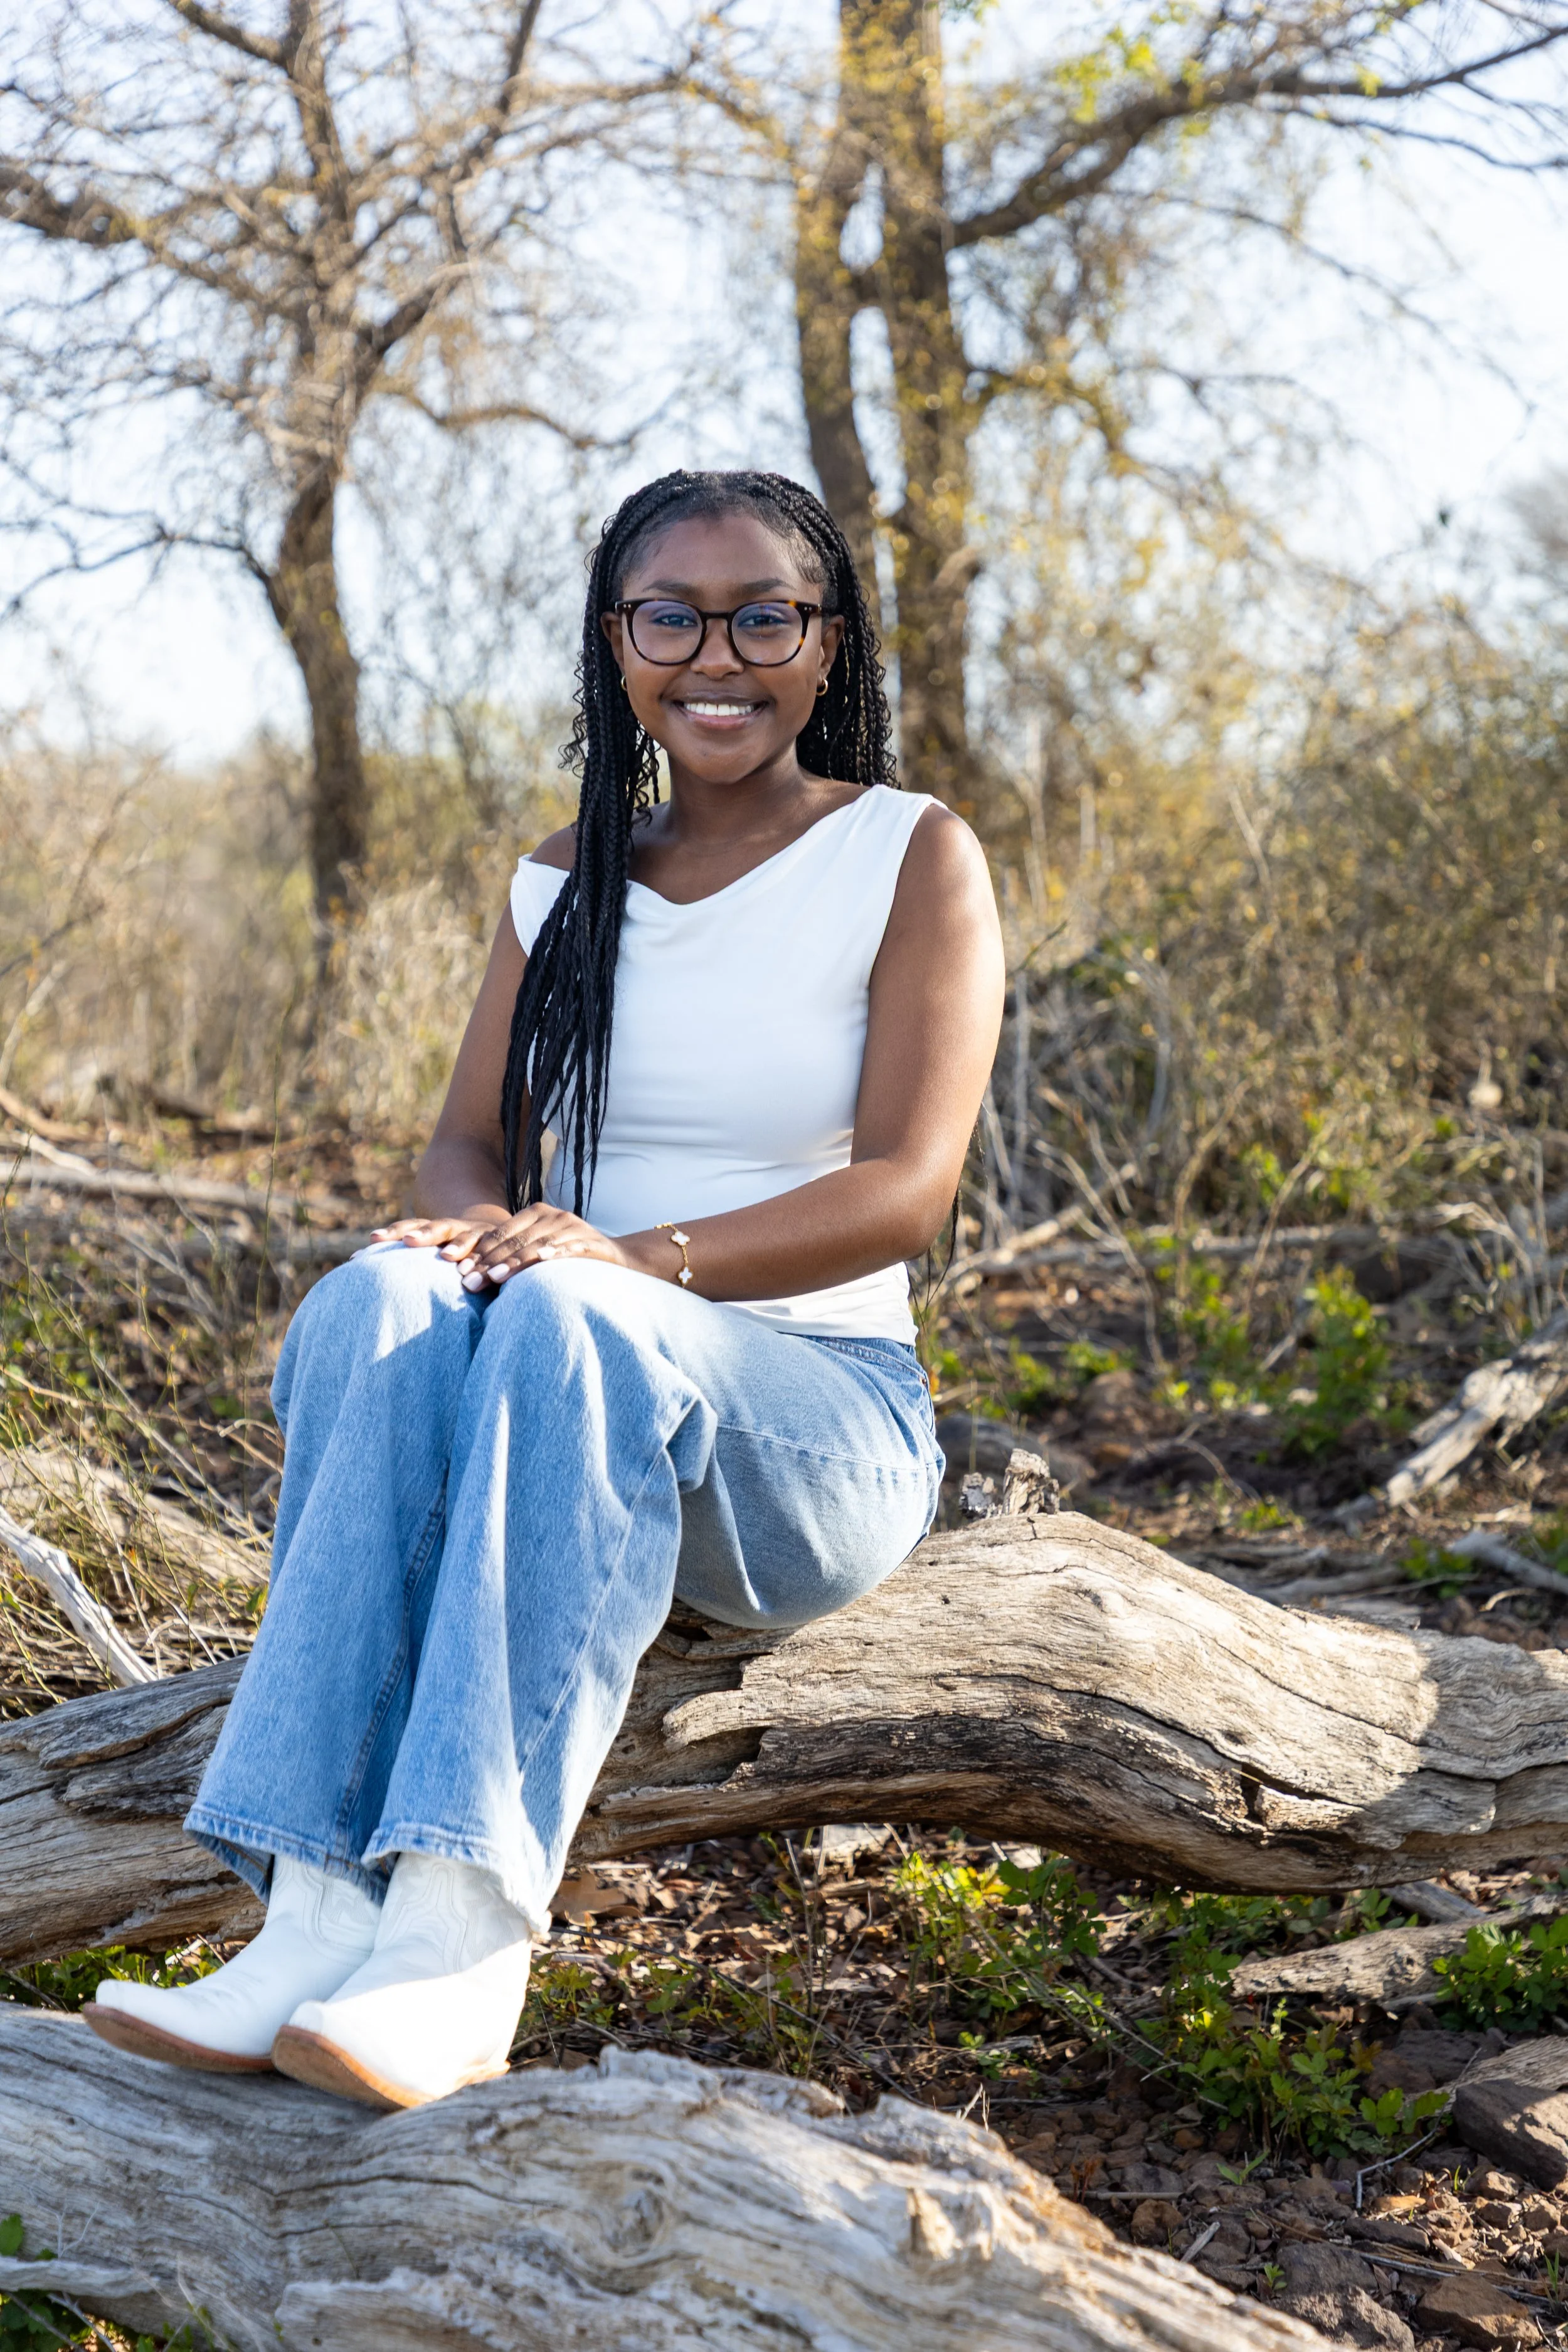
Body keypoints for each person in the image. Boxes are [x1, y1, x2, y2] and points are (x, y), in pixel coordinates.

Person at [84, 468, 1005, 2111]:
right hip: (564, 1380)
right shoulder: (560, 877)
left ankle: (455, 1937)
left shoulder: (906, 856)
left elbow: (904, 1191)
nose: (713, 653)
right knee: (374, 1299)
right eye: (670, 614)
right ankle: (307, 1916)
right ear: (615, 641)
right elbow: (461, 1148)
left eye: (763, 615)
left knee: (573, 1314)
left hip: (808, 1429)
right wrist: (456, 1235)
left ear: (827, 643)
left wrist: (623, 1259)